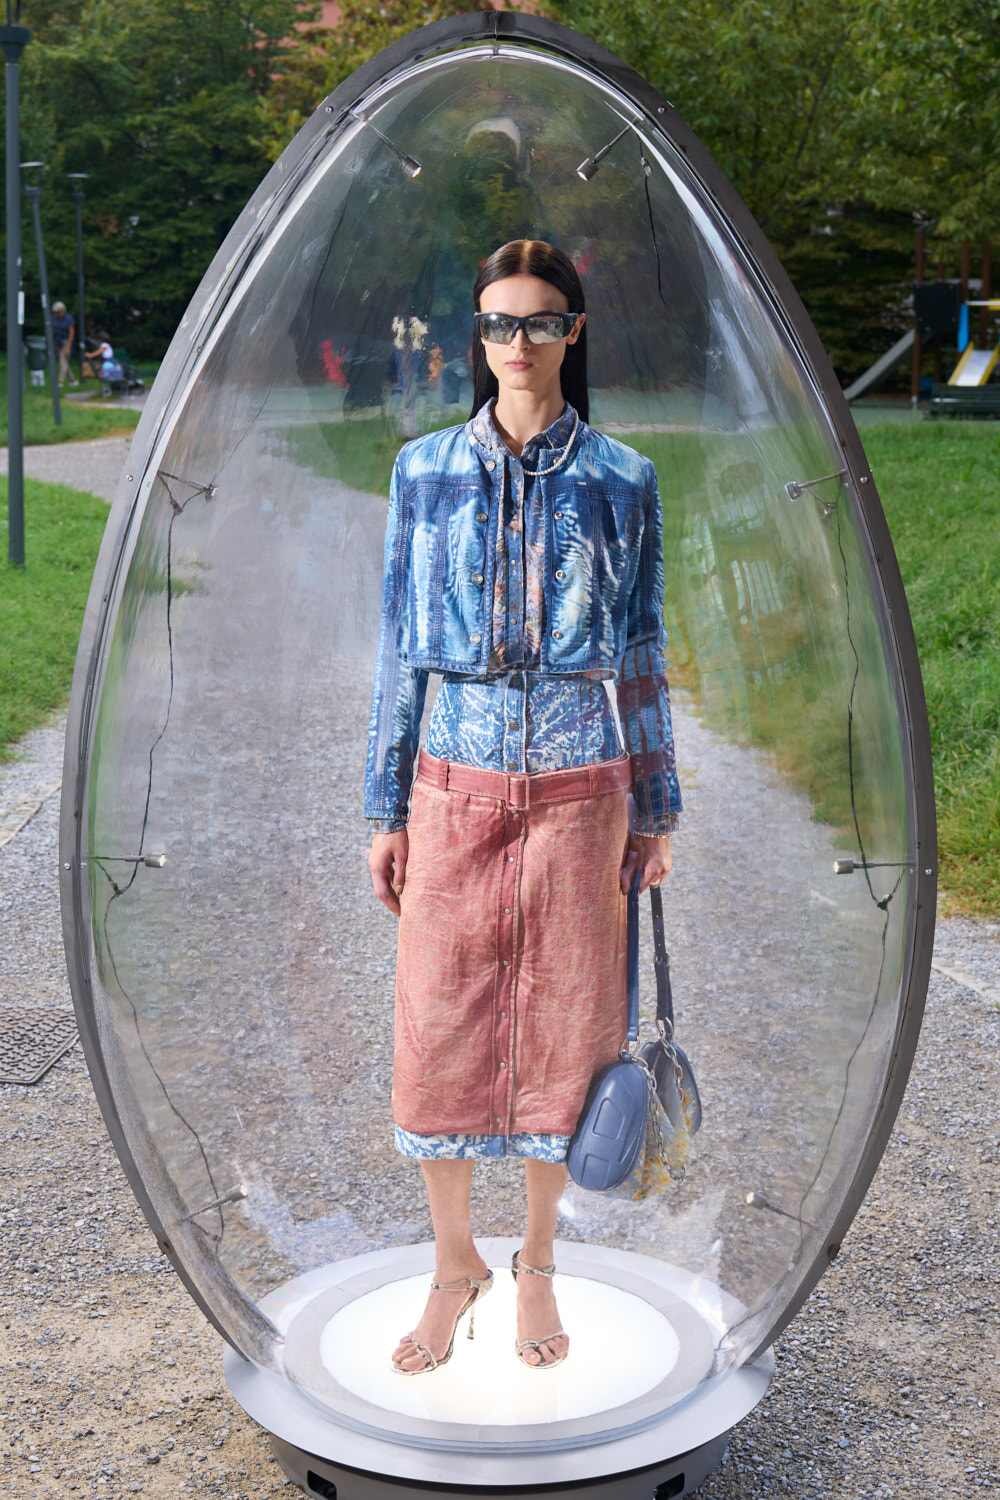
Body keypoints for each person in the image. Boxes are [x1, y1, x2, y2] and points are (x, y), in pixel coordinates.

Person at [363, 239, 683, 1377]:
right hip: (452, 778)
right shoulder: (422, 472)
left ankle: (538, 1261)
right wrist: (384, 804)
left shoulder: (624, 481)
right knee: (438, 1017)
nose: (517, 344)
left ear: (573, 332)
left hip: (580, 787)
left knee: (572, 1027)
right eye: (498, 324)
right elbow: (401, 650)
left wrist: (655, 806)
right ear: (478, 337)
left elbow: (641, 654)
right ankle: (454, 1262)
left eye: (539, 323)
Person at [51, 301, 77, 386]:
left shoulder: (69, 318)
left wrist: (68, 346)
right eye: (55, 312)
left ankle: (60, 381)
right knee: (64, 363)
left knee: (62, 361)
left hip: (67, 342)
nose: (56, 314)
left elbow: (71, 333)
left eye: (58, 312)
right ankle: (73, 381)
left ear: (62, 310)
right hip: (57, 342)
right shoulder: (54, 318)